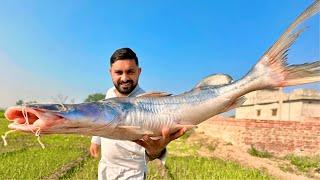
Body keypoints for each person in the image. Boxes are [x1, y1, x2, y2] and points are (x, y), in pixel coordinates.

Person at [90, 48, 186, 180]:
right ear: (110, 72)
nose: (124, 78)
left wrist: (156, 151)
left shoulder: (148, 102)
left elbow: (154, 149)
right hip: (106, 168)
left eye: (130, 72)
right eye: (119, 72)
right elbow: (103, 119)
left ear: (139, 72)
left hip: (133, 173)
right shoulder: (110, 93)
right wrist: (95, 141)